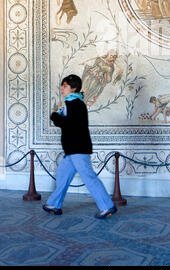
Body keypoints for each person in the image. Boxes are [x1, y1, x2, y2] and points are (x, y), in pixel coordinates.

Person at [43, 74, 117, 219]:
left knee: (89, 177)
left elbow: (67, 124)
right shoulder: (71, 103)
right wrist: (58, 115)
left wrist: (54, 116)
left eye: (65, 86)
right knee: (63, 176)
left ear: (74, 88)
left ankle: (107, 206)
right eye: (62, 85)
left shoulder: (76, 104)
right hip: (72, 149)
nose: (62, 88)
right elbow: (68, 123)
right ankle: (54, 204)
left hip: (78, 149)